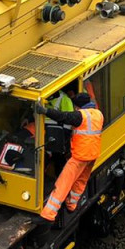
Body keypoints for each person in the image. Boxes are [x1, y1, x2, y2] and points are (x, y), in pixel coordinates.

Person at [35, 91, 103, 221]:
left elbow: (63, 116)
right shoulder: (98, 114)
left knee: (63, 183)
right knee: (81, 181)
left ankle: (48, 214)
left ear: (78, 106)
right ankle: (71, 205)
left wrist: (44, 111)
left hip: (80, 157)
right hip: (93, 155)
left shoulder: (80, 116)